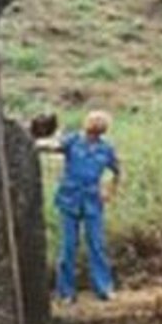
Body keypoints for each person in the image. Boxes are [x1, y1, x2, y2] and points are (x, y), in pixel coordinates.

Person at [36, 110, 121, 303]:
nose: (95, 128)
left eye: (100, 126)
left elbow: (116, 170)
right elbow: (52, 146)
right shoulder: (73, 141)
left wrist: (109, 191)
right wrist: (33, 142)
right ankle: (65, 292)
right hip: (70, 199)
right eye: (94, 124)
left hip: (92, 201)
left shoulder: (105, 149)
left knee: (97, 245)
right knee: (68, 247)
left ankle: (104, 288)